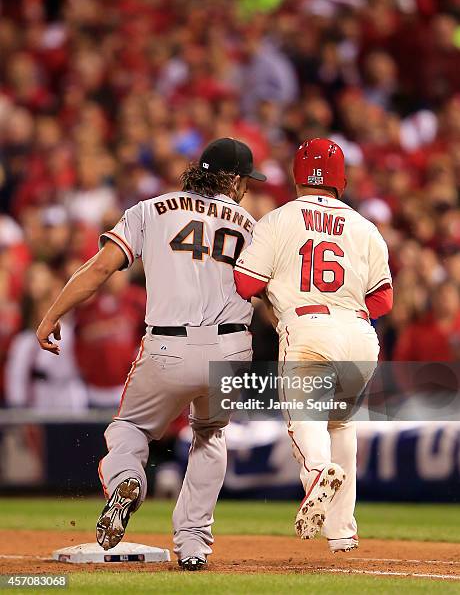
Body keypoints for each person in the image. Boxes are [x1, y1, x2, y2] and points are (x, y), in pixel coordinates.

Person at [36, 137, 266, 570]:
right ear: (232, 180)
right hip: (233, 347)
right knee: (211, 434)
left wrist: (52, 314)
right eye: (246, 181)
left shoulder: (150, 209)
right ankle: (194, 546)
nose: (246, 189)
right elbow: (268, 296)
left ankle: (126, 480)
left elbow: (102, 267)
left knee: (131, 428)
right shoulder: (251, 226)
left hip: (169, 345)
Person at [233, 138, 393, 553]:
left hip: (307, 327)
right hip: (359, 335)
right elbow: (383, 300)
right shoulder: (365, 227)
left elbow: (245, 283)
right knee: (342, 425)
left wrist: (281, 286)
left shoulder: (279, 219)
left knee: (305, 417)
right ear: (342, 179)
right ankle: (342, 533)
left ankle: (318, 473)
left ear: (296, 175)